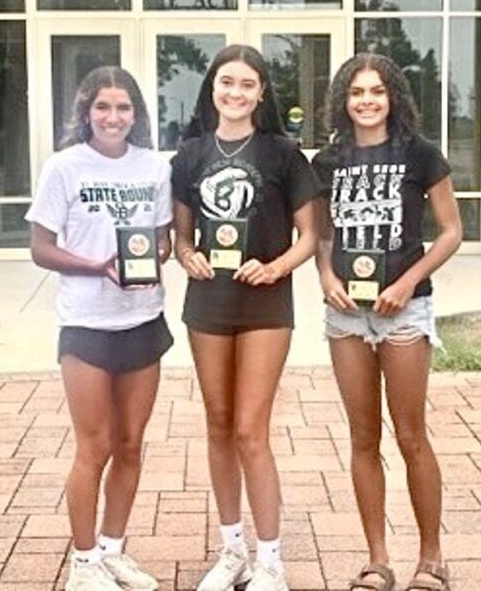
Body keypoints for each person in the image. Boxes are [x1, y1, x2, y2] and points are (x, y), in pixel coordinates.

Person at [171, 44, 321, 591]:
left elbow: (311, 236)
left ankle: (270, 559)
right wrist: (188, 257)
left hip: (265, 305)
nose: (234, 93)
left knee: (249, 431)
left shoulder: (283, 154)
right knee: (216, 425)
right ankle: (231, 549)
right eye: (225, 82)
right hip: (207, 303)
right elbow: (182, 238)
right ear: (212, 89)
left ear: (262, 92)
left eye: (246, 84)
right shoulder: (189, 154)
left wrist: (276, 265)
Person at [312, 53, 462, 591]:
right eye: (357, 93)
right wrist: (325, 276)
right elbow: (322, 237)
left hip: (405, 310)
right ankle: (377, 560)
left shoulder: (421, 155)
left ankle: (431, 558)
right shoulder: (327, 162)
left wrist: (405, 283)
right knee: (361, 437)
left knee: (410, 435)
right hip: (347, 316)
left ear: (393, 96)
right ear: (343, 101)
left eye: (377, 91)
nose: (367, 101)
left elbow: (450, 232)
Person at [26, 66, 173, 591]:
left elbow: (162, 241)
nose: (114, 118)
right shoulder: (63, 168)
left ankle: (112, 551)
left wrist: (150, 259)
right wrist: (98, 266)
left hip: (143, 318)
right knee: (96, 445)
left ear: (137, 114)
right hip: (86, 323)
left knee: (131, 443)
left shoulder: (155, 167)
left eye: (124, 108)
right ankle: (83, 564)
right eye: (103, 107)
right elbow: (40, 247)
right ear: (86, 111)